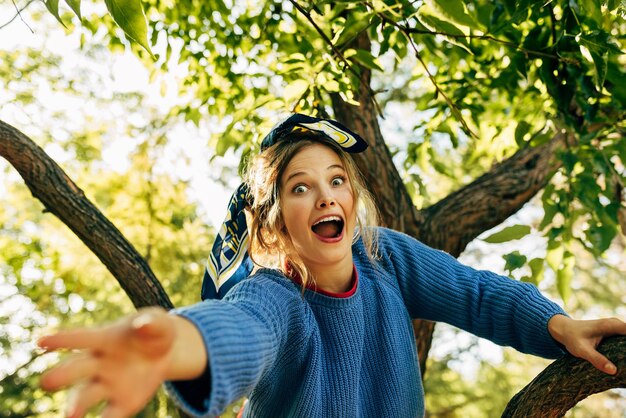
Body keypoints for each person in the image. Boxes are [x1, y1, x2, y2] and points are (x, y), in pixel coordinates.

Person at [38, 114, 626, 418]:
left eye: (336, 180)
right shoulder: (276, 298)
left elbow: (474, 293)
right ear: (273, 223)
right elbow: (240, 332)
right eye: (300, 187)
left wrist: (557, 325)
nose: (325, 196)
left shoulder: (383, 255)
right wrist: (173, 343)